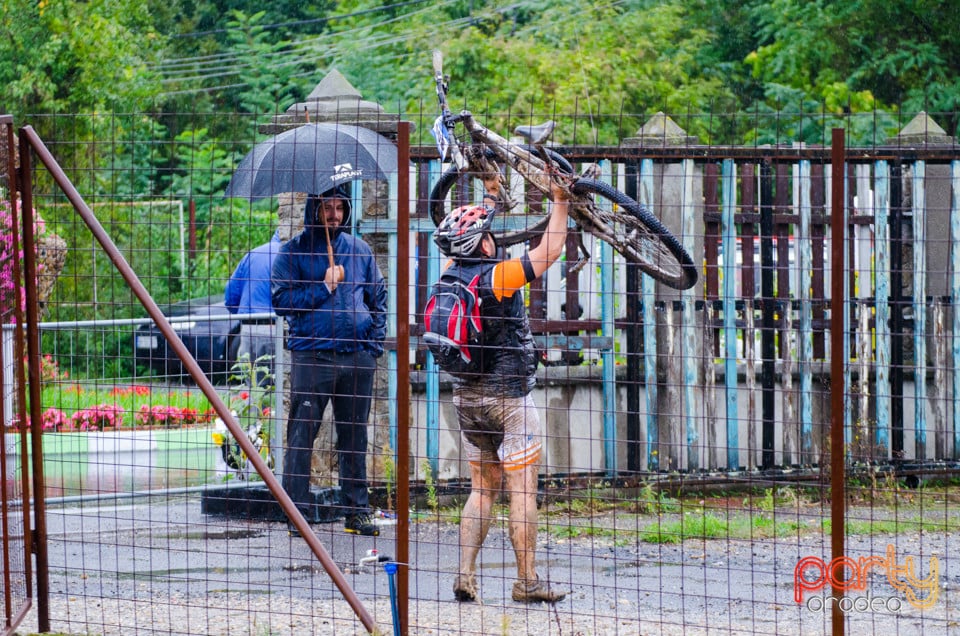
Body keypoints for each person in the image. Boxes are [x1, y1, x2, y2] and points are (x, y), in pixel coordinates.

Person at [432, 172, 570, 604]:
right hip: (508, 398)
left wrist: (492, 191)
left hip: (466, 400)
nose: (494, 239)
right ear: (484, 244)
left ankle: (465, 575)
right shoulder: (499, 277)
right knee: (522, 489)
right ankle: (527, 581)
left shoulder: (450, 273)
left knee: (481, 489)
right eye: (489, 234)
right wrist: (560, 201)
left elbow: (473, 235)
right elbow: (549, 251)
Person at [271, 185, 387, 537]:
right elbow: (282, 302)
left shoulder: (359, 251)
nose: (334, 214)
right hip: (312, 356)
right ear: (314, 210)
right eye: (327, 208)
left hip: (356, 357)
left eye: (339, 207)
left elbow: (378, 298)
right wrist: (323, 286)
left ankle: (357, 510)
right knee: (302, 434)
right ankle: (298, 513)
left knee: (355, 436)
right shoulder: (291, 253)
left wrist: (372, 346)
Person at [224, 229, 281, 378]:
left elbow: (230, 297)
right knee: (278, 390)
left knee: (253, 390)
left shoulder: (253, 254)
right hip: (277, 331)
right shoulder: (291, 255)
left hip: (248, 331)